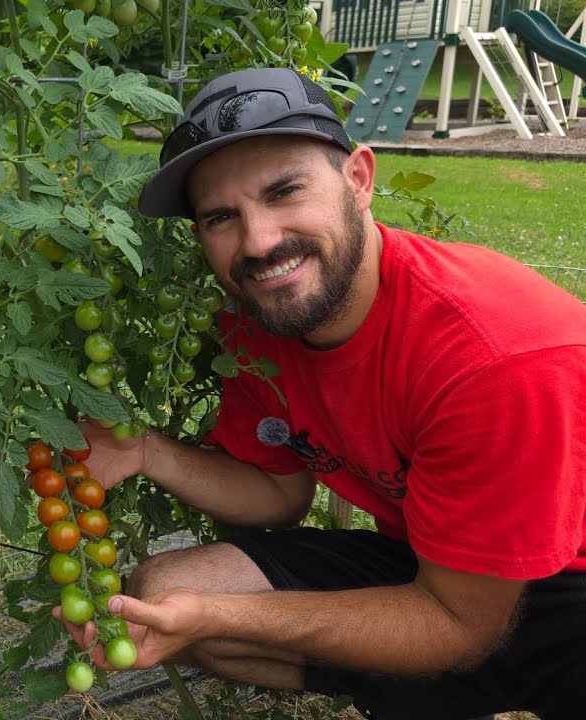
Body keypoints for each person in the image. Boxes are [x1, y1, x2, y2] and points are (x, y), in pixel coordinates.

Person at [55, 67, 586, 719]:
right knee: (171, 589)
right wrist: (148, 453)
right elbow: (280, 492)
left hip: (564, 588)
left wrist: (220, 617)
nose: (259, 241)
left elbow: (461, 623)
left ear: (359, 181)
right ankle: (430, 685)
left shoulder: (492, 355)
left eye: (284, 192)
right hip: (443, 568)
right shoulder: (256, 325)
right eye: (222, 217)